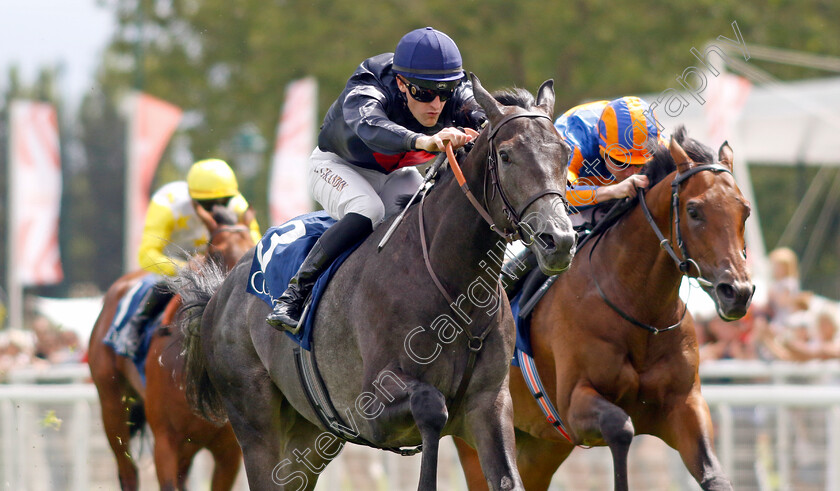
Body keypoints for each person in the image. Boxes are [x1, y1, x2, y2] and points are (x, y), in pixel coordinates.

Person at [266, 27, 485, 330]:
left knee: (428, 217)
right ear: (401, 83)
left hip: (394, 174)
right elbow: (371, 126)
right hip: (336, 166)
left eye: (444, 93)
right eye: (424, 93)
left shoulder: (454, 94)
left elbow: (487, 117)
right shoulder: (369, 83)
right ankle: (295, 294)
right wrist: (423, 141)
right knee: (369, 210)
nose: (436, 104)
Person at [500, 96, 662, 294]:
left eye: (640, 164)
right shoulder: (572, 136)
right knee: (552, 242)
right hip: (571, 204)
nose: (632, 173)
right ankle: (507, 281)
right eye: (621, 162)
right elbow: (559, 197)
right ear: (601, 146)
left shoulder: (654, 141)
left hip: (612, 193)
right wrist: (611, 191)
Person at [109, 158, 261, 358]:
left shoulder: (239, 206)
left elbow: (257, 247)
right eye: (207, 204)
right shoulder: (167, 203)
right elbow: (146, 256)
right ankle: (132, 330)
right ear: (192, 198)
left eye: (223, 202)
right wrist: (185, 267)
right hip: (175, 258)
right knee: (159, 284)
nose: (216, 209)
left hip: (214, 259)